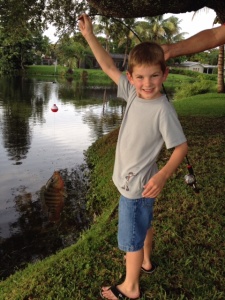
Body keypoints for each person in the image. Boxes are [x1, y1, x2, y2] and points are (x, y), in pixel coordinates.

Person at [79, 14, 188, 300]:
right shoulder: (132, 93)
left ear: (164, 74)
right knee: (144, 224)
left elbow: (181, 148)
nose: (147, 83)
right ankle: (147, 262)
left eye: (154, 76)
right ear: (131, 78)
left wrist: (163, 174)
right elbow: (107, 65)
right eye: (140, 76)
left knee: (131, 238)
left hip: (138, 187)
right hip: (134, 185)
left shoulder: (163, 110)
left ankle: (130, 287)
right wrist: (90, 36)